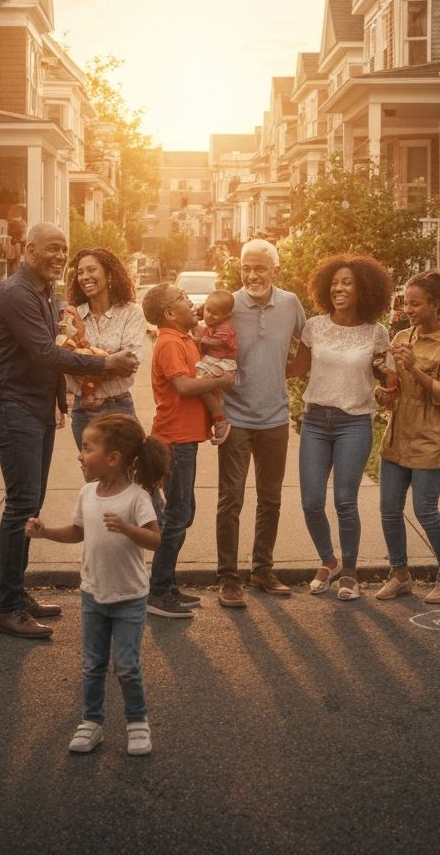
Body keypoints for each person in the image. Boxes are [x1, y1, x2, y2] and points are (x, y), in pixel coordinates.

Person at [0, 222, 139, 640]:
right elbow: (47, 353)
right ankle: (7, 608)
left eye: (63, 249)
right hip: (10, 403)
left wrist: (57, 404)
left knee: (31, 502)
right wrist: (107, 364)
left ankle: (16, 593)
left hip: (33, 407)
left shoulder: (45, 294)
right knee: (21, 504)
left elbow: (60, 348)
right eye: (51, 248)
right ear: (28, 249)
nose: (58, 256)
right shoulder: (16, 293)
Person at [25, 415, 168, 756]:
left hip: (130, 596)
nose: (79, 455)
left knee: (127, 666)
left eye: (87, 448)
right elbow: (78, 532)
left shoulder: (137, 498)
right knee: (92, 664)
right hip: (92, 593)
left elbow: (155, 540)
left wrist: (127, 528)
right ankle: (92, 723)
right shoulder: (87, 493)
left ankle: (137, 722)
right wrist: (45, 532)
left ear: (113, 457)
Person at [286, 255, 391, 602]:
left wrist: (394, 377)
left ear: (364, 289)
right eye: (335, 283)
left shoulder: (376, 333)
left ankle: (349, 571)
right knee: (311, 501)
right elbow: (295, 369)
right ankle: (328, 561)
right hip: (316, 420)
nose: (339, 289)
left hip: (355, 422)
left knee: (345, 501)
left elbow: (389, 382)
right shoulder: (315, 327)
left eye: (347, 283)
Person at [215, 239, 306, 608]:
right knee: (230, 500)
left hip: (275, 418)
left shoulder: (289, 304)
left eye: (259, 269)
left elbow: (308, 343)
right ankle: (228, 578)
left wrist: (286, 374)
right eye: (245, 269)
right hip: (236, 418)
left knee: (270, 499)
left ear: (275, 272)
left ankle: (262, 569)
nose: (252, 275)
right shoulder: (228, 306)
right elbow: (204, 349)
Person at [143, 283, 235, 618]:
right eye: (182, 298)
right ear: (169, 313)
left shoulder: (185, 340)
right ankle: (158, 591)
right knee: (178, 517)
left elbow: (197, 381)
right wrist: (221, 382)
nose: (190, 301)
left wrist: (217, 415)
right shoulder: (169, 343)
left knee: (182, 514)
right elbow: (184, 386)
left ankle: (165, 585)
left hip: (185, 441)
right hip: (174, 441)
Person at [374, 271, 440, 604]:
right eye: (405, 303)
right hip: (398, 434)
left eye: (415, 303)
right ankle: (399, 575)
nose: (408, 309)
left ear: (435, 305)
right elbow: (393, 386)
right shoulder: (400, 338)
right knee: (388, 509)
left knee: (425, 510)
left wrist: (414, 369)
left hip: (432, 437)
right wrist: (383, 391)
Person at [63, 248, 147, 450]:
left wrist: (84, 360)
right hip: (83, 413)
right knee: (94, 477)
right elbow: (64, 361)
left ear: (109, 274)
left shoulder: (131, 312)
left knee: (128, 475)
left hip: (119, 409)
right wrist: (110, 362)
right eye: (80, 272)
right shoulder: (71, 316)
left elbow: (130, 362)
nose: (85, 277)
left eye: (91, 270)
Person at [193, 289, 237, 445]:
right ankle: (216, 413)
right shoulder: (210, 325)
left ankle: (218, 417)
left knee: (199, 383)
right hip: (214, 361)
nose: (210, 315)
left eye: (215, 313)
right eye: (208, 310)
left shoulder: (226, 327)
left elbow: (218, 342)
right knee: (204, 385)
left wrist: (201, 340)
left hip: (224, 363)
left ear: (226, 316)